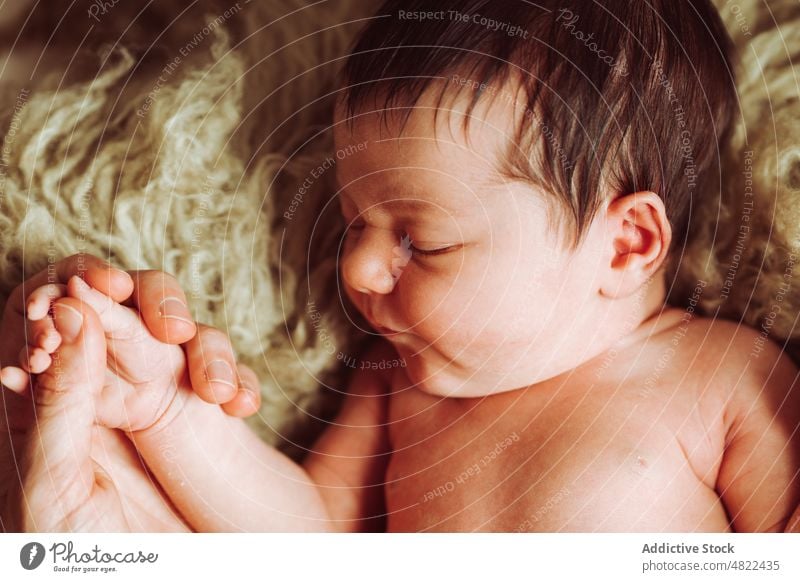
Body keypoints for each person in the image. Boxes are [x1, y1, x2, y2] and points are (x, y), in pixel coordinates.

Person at [4, 0, 800, 532]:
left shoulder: (722, 381)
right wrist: (170, 413)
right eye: (353, 221)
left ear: (625, 245)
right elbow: (307, 542)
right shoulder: (393, 385)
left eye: (423, 239)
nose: (358, 268)